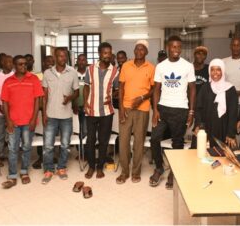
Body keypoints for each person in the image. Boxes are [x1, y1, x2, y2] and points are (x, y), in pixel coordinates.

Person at [149, 35, 196, 189]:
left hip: (180, 109)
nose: (176, 50)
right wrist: (155, 110)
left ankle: (173, 172)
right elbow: (156, 89)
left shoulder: (188, 66)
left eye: (178, 47)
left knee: (177, 142)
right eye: (173, 47)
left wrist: (191, 112)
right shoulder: (161, 66)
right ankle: (159, 167)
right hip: (163, 108)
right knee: (154, 139)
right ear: (168, 47)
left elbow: (192, 89)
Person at [0, 55, 44, 189]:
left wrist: (33, 119)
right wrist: (8, 121)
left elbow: (38, 100)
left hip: (28, 122)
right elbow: (4, 103)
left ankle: (24, 172)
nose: (23, 66)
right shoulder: (8, 81)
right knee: (13, 149)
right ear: (14, 66)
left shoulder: (34, 79)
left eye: (25, 64)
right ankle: (12, 175)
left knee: (26, 147)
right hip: (13, 122)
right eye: (20, 64)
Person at [116, 40, 155, 184]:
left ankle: (136, 172)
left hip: (143, 109)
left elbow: (154, 89)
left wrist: (142, 98)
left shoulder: (151, 68)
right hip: (126, 108)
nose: (139, 51)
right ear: (134, 51)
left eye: (142, 49)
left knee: (139, 142)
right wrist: (120, 109)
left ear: (146, 52)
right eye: (137, 49)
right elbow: (121, 88)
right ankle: (124, 172)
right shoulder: (126, 66)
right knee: (124, 141)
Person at [41, 48, 79, 184]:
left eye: (64, 56)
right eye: (59, 56)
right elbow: (44, 96)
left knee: (65, 145)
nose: (62, 58)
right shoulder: (47, 73)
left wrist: (69, 98)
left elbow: (77, 93)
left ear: (67, 58)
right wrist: (44, 114)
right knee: (48, 146)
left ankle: (62, 168)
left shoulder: (72, 73)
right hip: (51, 115)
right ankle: (48, 169)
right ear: (55, 57)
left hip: (66, 116)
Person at [84, 42, 119, 179]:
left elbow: (117, 91)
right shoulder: (91, 69)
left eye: (109, 53)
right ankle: (91, 166)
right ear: (99, 53)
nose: (107, 56)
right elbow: (86, 87)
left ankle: (100, 167)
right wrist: (86, 103)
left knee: (104, 141)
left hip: (106, 111)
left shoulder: (115, 71)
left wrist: (112, 97)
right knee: (91, 140)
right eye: (105, 53)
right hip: (91, 111)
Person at [194, 59, 238, 148]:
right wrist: (198, 125)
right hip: (206, 128)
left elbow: (233, 113)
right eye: (212, 69)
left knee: (221, 157)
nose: (215, 72)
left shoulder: (230, 89)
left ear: (223, 71)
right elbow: (198, 108)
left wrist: (230, 134)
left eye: (218, 69)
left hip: (223, 129)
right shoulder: (205, 87)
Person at [32, 55, 55, 169]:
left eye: (52, 61)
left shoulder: (56, 75)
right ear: (43, 62)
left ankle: (52, 156)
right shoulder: (36, 76)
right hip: (40, 109)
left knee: (52, 133)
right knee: (41, 133)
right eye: (48, 61)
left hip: (52, 108)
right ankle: (41, 157)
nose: (50, 63)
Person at [0, 54, 14, 165]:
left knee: (11, 135)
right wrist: (0, 108)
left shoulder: (15, 76)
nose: (10, 64)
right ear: (2, 63)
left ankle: (11, 157)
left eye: (11, 62)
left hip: (13, 111)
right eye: (8, 62)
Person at [72, 54, 88, 158]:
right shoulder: (72, 73)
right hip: (76, 107)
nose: (81, 62)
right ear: (77, 61)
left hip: (87, 106)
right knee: (77, 130)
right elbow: (70, 89)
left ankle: (86, 152)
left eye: (83, 60)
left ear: (86, 62)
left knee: (86, 130)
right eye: (80, 60)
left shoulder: (90, 73)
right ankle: (80, 152)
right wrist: (74, 104)